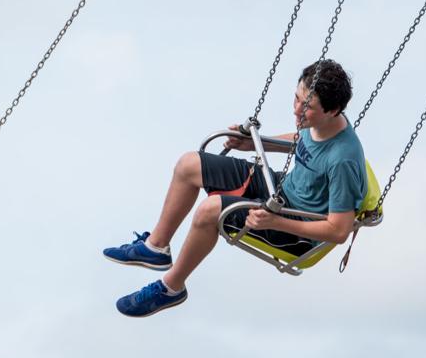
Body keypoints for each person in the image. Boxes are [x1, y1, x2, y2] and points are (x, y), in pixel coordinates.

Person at [104, 59, 367, 317]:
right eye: (296, 98)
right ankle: (156, 248)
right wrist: (254, 143)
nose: (297, 110)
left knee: (210, 211)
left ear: (333, 111)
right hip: (281, 189)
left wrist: (275, 222)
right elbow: (302, 141)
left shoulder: (343, 159)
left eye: (307, 107)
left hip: (294, 227)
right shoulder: (320, 122)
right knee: (188, 165)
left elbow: (338, 230)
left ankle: (171, 288)